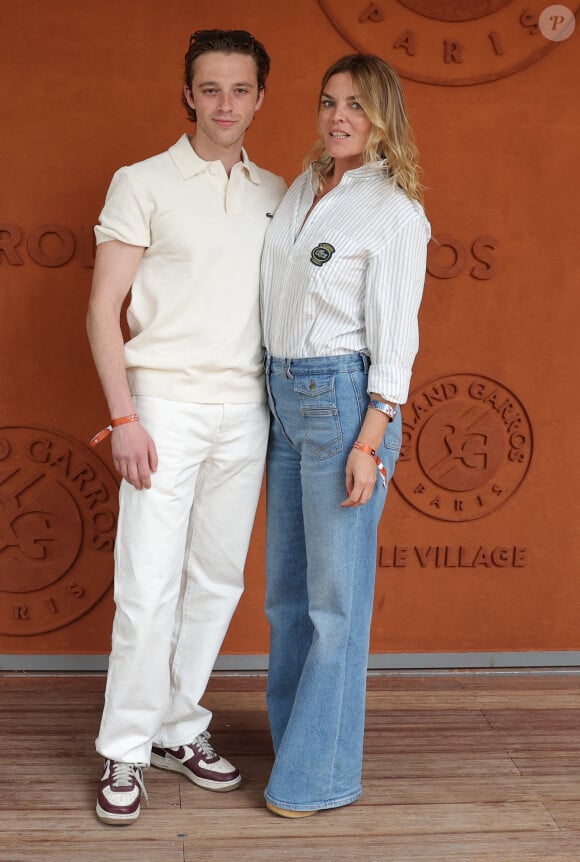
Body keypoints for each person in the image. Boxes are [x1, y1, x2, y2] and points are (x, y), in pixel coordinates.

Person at [86, 29, 286, 826]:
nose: (226, 104)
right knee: (147, 584)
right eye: (211, 89)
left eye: (240, 89)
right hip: (162, 403)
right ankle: (124, 750)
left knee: (216, 582)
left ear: (261, 98)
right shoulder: (141, 182)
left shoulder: (282, 190)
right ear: (188, 94)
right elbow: (103, 309)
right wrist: (124, 415)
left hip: (247, 409)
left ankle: (176, 725)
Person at [260, 53, 430, 817]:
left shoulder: (393, 212)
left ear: (383, 117)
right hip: (282, 400)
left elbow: (397, 339)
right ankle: (297, 740)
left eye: (356, 106)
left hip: (342, 406)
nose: (338, 118)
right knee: (286, 601)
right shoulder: (300, 190)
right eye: (329, 102)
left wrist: (371, 437)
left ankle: (320, 777)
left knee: (335, 605)